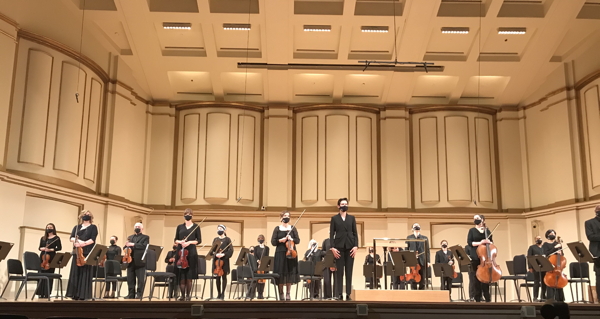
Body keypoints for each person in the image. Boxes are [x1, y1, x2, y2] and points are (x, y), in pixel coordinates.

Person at [329, 198, 358, 301]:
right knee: (339, 271)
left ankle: (348, 293)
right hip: (339, 247)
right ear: (338, 206)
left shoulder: (352, 218)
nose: (344, 205)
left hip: (350, 247)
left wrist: (356, 246)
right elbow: (331, 234)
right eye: (342, 204)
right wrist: (332, 247)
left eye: (346, 204)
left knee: (349, 271)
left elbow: (355, 233)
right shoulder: (334, 218)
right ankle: (340, 293)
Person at [66, 210, 98, 300]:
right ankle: (74, 294)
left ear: (91, 217)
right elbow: (71, 237)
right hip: (77, 251)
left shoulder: (93, 227)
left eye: (88, 214)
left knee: (85, 272)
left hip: (87, 251)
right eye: (84, 214)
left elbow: (93, 239)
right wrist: (78, 242)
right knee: (75, 272)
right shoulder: (77, 227)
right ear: (81, 216)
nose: (86, 215)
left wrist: (83, 243)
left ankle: (83, 294)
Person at [271, 210, 300, 301]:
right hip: (280, 253)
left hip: (291, 252)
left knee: (289, 273)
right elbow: (273, 242)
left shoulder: (293, 228)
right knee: (281, 273)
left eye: (288, 216)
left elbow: (298, 240)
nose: (286, 217)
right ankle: (281, 293)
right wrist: (281, 240)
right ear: (281, 218)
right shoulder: (277, 228)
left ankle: (288, 293)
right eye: (284, 216)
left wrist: (292, 239)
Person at [174, 208, 201, 301]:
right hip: (181, 252)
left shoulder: (196, 227)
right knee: (182, 275)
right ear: (183, 215)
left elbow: (199, 240)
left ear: (192, 215)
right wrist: (180, 242)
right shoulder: (179, 227)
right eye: (186, 214)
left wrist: (189, 242)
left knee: (189, 275)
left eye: (189, 214)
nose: (187, 215)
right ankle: (182, 296)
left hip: (191, 253)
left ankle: (188, 295)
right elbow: (175, 240)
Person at [467, 214, 492, 302]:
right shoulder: (472, 230)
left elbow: (491, 242)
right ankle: (477, 297)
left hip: (486, 257)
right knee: (476, 277)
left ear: (482, 220)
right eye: (474, 219)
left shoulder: (487, 230)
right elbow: (470, 242)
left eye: (477, 218)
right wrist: (480, 242)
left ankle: (487, 297)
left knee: (486, 277)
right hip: (475, 255)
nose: (476, 220)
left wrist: (488, 241)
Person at [36, 223, 62, 299]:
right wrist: (43, 249)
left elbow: (59, 248)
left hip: (51, 257)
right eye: (47, 227)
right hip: (42, 256)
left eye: (50, 227)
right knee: (41, 274)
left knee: (49, 275)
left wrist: (50, 249)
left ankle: (47, 293)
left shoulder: (56, 238)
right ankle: (40, 292)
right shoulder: (43, 238)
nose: (49, 228)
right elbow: (39, 247)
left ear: (53, 228)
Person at [124, 223, 149, 299]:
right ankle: (131, 294)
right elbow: (125, 247)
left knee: (140, 279)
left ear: (142, 229)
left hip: (140, 261)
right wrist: (126, 246)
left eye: (138, 227)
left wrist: (133, 244)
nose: (137, 228)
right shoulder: (130, 237)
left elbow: (144, 246)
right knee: (130, 279)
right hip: (130, 260)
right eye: (136, 227)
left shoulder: (145, 237)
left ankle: (139, 294)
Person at [209, 225, 234, 300]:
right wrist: (215, 254)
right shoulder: (215, 239)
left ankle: (223, 293)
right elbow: (212, 250)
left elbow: (231, 250)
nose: (219, 230)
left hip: (224, 261)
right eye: (218, 229)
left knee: (224, 277)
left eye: (221, 229)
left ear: (225, 230)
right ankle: (218, 293)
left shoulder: (227, 239)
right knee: (217, 278)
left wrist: (224, 254)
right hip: (216, 260)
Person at [542, 229, 565, 302]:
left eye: (554, 233)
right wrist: (555, 248)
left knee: (559, 280)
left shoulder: (557, 244)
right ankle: (550, 298)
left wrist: (560, 252)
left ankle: (560, 298)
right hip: (550, 264)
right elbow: (546, 253)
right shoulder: (545, 244)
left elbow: (562, 255)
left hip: (558, 265)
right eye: (551, 233)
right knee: (550, 281)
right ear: (547, 235)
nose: (553, 235)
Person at [406, 222, 429, 290]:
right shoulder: (409, 237)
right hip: (412, 261)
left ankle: (422, 293)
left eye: (417, 226)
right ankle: (413, 293)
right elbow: (406, 249)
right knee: (413, 278)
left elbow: (427, 250)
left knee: (422, 278)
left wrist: (428, 261)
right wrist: (407, 261)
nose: (416, 228)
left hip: (422, 260)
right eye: (415, 227)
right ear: (412, 229)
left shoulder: (425, 238)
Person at [585, 205, 600, 303]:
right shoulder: (589, 222)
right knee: (599, 276)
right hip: (598, 253)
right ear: (596, 211)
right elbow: (590, 237)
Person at [527, 235, 545, 301]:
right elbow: (529, 257)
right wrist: (530, 267)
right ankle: (535, 297)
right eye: (537, 238)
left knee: (544, 282)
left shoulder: (544, 247)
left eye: (540, 238)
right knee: (536, 282)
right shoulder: (532, 247)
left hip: (544, 266)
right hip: (535, 266)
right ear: (535, 240)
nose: (538, 239)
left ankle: (543, 297)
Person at [252, 234, 269, 299]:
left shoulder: (266, 248)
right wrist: (258, 261)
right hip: (257, 265)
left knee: (263, 280)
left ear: (264, 239)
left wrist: (263, 262)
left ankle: (261, 293)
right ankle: (258, 293)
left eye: (262, 238)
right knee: (258, 280)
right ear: (258, 240)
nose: (260, 239)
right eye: (259, 238)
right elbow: (255, 256)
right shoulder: (255, 248)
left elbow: (267, 256)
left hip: (264, 265)